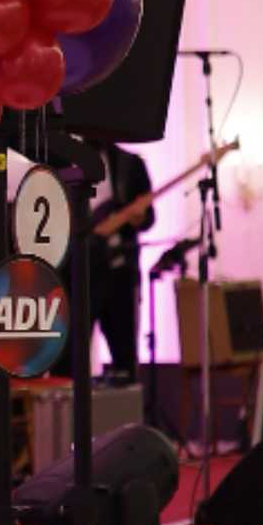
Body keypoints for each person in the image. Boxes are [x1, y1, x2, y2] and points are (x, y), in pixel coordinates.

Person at [87, 142, 154, 381]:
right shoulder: (63, 161)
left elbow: (149, 218)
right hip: (77, 273)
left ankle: (125, 411)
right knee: (69, 353)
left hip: (119, 271)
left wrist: (139, 218)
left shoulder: (130, 163)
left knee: (124, 352)